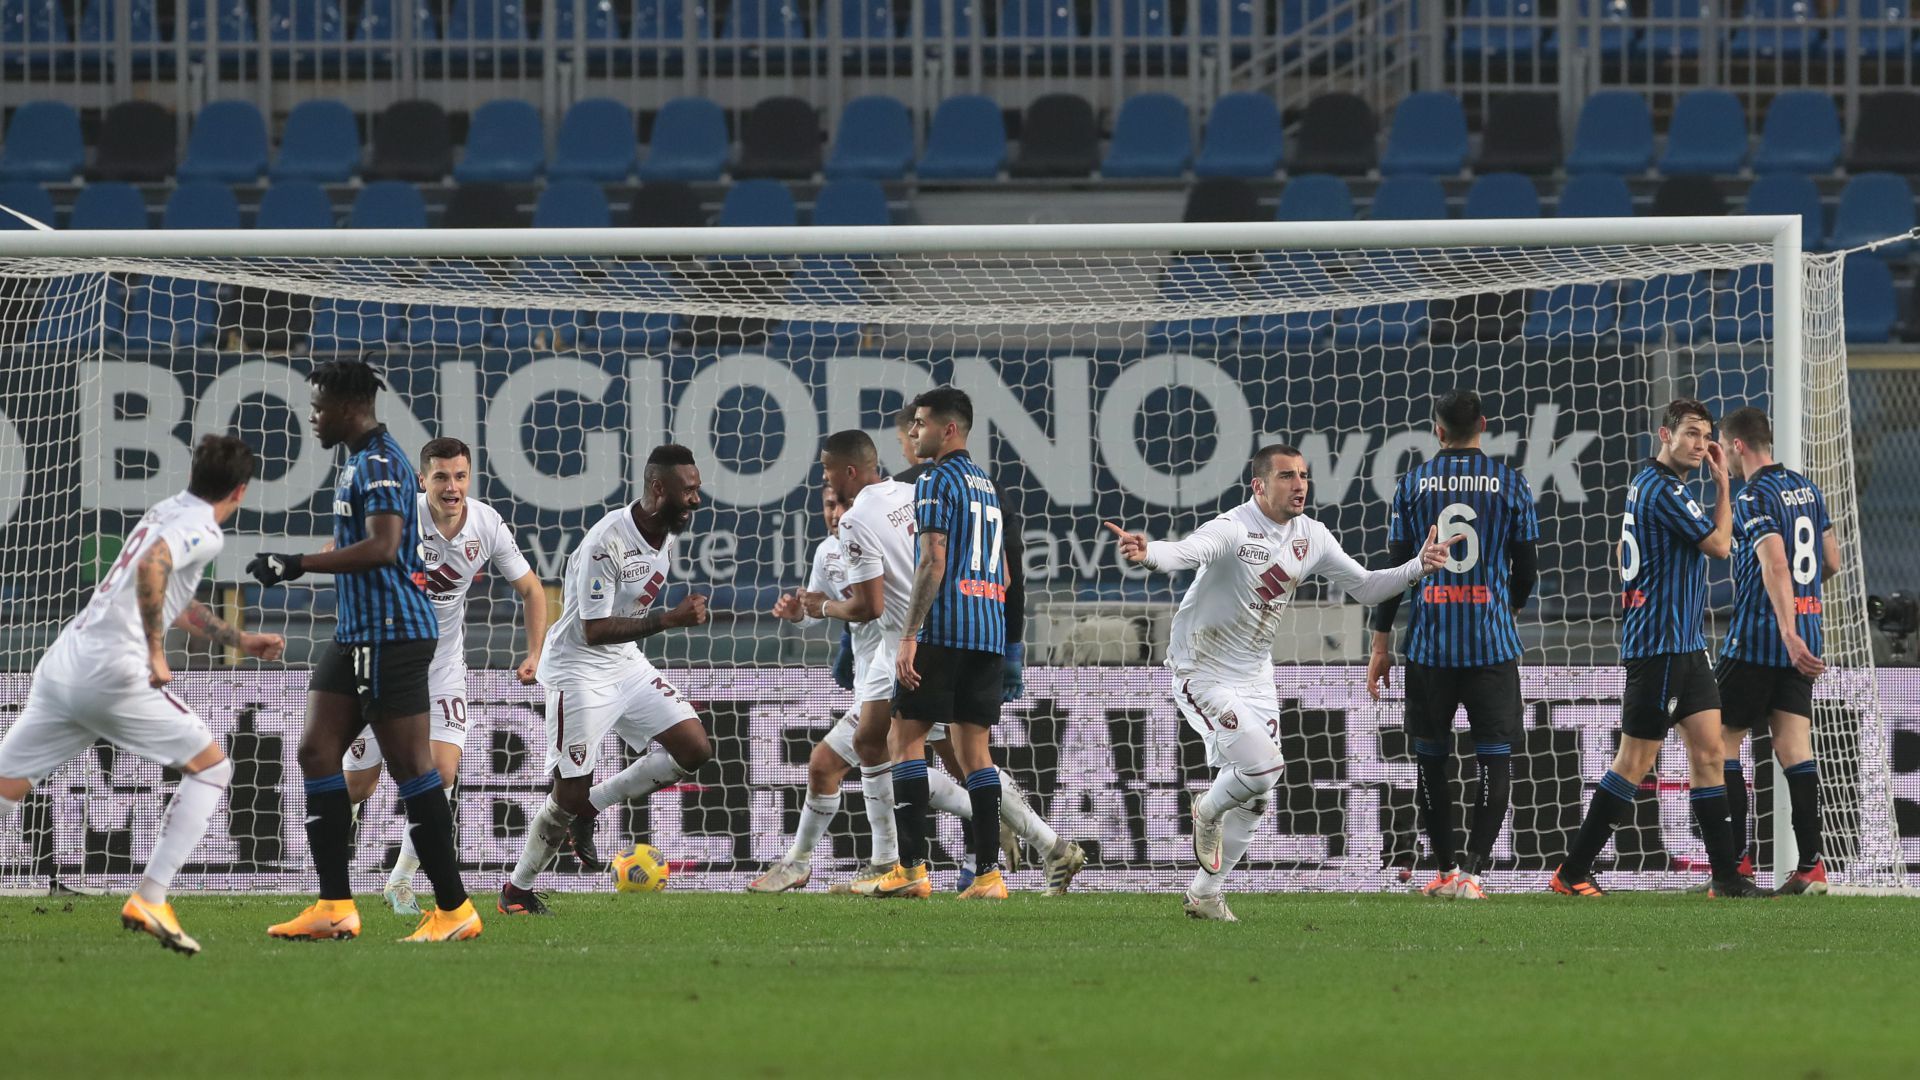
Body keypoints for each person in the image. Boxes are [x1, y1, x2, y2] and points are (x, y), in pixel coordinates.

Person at [1107, 445, 1453, 921]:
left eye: (1304, 476)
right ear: (1259, 485)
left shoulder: (1311, 535)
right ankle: (1206, 810)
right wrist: (1148, 554)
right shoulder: (1234, 527)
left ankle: (1206, 894)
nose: (1299, 485)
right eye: (1287, 476)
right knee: (1265, 767)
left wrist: (1418, 566)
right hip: (1202, 669)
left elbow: (1367, 586)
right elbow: (1185, 553)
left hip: (1254, 674)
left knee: (1259, 793)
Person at [0, 436, 283, 955]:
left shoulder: (166, 509)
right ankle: (151, 896)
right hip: (113, 672)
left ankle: (152, 898)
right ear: (241, 491)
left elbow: (174, 598)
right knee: (213, 768)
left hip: (66, 663)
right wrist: (156, 652)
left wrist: (240, 640)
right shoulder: (204, 531)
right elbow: (153, 569)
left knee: (7, 785)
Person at [253, 359, 482, 942]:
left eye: (319, 405)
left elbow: (383, 547)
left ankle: (455, 911)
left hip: (394, 634)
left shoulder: (380, 463)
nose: (313, 415)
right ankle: (334, 906)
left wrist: (295, 564)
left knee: (412, 771)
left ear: (350, 405)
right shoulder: (357, 460)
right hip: (355, 633)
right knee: (314, 750)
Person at [1549, 399, 1765, 899]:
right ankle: (1572, 871)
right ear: (1664, 435)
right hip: (1659, 647)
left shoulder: (1665, 487)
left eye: (1705, 435)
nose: (1699, 444)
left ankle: (1726, 879)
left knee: (1710, 754)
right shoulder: (1661, 488)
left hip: (1687, 647)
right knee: (1634, 762)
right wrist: (1725, 487)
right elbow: (1719, 545)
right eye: (1690, 433)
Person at [498, 444, 712, 915]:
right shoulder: (606, 543)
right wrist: (669, 620)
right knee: (567, 793)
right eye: (689, 490)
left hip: (625, 662)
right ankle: (517, 890)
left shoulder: (665, 530)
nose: (697, 499)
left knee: (694, 747)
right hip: (578, 670)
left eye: (697, 488)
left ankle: (593, 809)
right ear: (659, 489)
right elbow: (593, 630)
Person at [341, 437, 548, 916]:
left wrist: (534, 652)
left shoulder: (486, 523)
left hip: (442, 667)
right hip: (384, 663)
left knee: (442, 772)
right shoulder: (397, 517)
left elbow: (532, 590)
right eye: (441, 477)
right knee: (358, 787)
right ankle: (331, 881)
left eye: (459, 476)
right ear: (422, 480)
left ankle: (401, 883)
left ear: (469, 478)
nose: (451, 487)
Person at [1366, 390, 1540, 900]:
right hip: (1491, 647)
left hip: (1428, 649)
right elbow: (1527, 567)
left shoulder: (1413, 485)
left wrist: (1380, 645)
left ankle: (1443, 871)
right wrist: (1508, 610)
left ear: (1436, 430)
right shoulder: (1511, 484)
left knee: (1430, 760)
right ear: (1483, 425)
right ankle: (1474, 875)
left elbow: (1395, 571)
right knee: (1496, 760)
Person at [868, 389, 1012, 900]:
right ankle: (990, 877)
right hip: (988, 631)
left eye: (921, 423)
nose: (913, 432)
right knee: (975, 753)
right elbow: (1007, 573)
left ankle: (910, 871)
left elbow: (932, 560)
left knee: (902, 741)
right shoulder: (986, 487)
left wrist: (910, 635)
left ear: (948, 430)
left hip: (946, 630)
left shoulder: (933, 480)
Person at [1717, 406, 1839, 895]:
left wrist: (1785, 628)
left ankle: (1738, 865)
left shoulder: (1751, 496)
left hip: (1760, 639)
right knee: (1794, 749)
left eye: (1724, 448)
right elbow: (1831, 560)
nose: (1723, 456)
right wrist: (1802, 617)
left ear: (1738, 446)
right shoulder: (1807, 488)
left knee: (1721, 744)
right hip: (1807, 637)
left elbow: (1775, 565)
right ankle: (1811, 866)